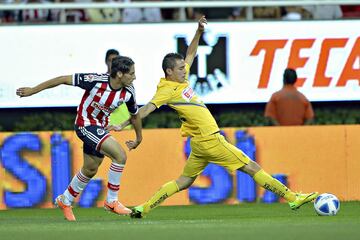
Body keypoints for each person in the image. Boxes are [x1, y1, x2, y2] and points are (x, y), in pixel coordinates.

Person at [106, 16, 318, 218]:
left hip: (199, 143)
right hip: (210, 138)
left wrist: (198, 32)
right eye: (180, 69)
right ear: (169, 71)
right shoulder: (167, 90)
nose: (185, 70)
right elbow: (145, 110)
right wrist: (124, 123)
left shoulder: (180, 80)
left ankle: (144, 207)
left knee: (184, 180)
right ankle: (292, 198)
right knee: (252, 167)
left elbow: (190, 54)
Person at [16, 56, 143, 221]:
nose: (134, 77)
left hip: (101, 127)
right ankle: (112, 201)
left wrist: (139, 137)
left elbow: (135, 115)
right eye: (131, 73)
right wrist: (33, 90)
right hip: (85, 124)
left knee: (90, 168)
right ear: (119, 74)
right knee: (120, 155)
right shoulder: (95, 81)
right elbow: (62, 79)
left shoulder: (129, 91)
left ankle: (65, 200)